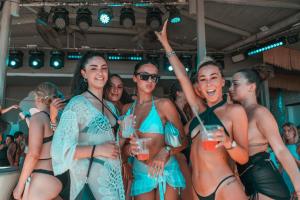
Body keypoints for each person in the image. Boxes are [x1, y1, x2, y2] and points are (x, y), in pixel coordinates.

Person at [156, 20, 249, 200]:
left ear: (222, 82)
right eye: (203, 79)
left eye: (213, 77)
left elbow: (243, 157)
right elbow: (182, 75)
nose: (209, 83)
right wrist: (166, 44)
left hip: (225, 186)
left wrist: (229, 143)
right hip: (196, 191)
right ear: (198, 86)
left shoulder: (234, 111)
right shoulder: (199, 110)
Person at [51, 52, 125, 200]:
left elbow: (115, 148)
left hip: (113, 181)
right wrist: (98, 149)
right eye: (93, 68)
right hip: (90, 185)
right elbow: (61, 151)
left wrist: (124, 133)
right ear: (84, 73)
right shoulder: (77, 104)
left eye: (104, 68)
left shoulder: (111, 106)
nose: (100, 72)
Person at [229, 68, 300, 199]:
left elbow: (281, 150)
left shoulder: (260, 113)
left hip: (266, 184)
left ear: (251, 87)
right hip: (248, 183)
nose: (230, 88)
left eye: (235, 84)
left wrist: (298, 186)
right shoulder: (237, 113)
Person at [123, 60, 186, 200]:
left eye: (154, 77)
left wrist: (166, 151)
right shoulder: (126, 109)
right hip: (140, 171)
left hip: (166, 169)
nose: (150, 80)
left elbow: (184, 140)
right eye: (145, 76)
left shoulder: (164, 104)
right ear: (134, 77)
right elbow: (122, 147)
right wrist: (129, 150)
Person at [13, 82, 63, 200]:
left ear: (38, 98)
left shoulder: (38, 118)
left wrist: (19, 187)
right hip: (55, 176)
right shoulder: (55, 120)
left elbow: (33, 155)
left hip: (42, 178)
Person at [169, 81, 193, 200]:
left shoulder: (186, 110)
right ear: (178, 93)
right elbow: (176, 135)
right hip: (178, 155)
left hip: (186, 154)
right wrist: (193, 121)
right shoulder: (173, 110)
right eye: (187, 90)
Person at [282, 122, 300, 195]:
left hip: (296, 179)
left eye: (289, 130)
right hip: (285, 179)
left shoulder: (298, 146)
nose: (286, 133)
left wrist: (291, 157)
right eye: (284, 131)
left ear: (294, 132)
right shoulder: (282, 147)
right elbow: (281, 166)